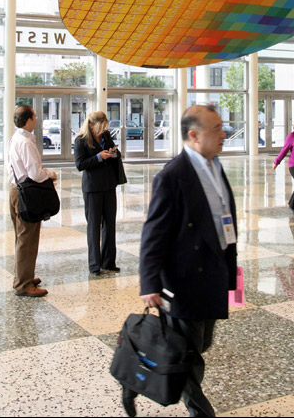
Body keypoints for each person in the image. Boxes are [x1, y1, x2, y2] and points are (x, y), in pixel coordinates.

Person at [130, 104, 237, 418]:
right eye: (216, 129)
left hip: (213, 275)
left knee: (200, 345)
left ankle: (164, 378)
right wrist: (149, 283)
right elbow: (154, 233)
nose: (224, 133)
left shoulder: (214, 166)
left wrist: (232, 275)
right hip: (185, 279)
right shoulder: (173, 176)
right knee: (188, 356)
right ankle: (200, 411)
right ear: (194, 135)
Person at [7, 105, 57, 297]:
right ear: (28, 120)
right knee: (27, 240)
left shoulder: (15, 138)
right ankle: (24, 284)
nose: (36, 119)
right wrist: (50, 174)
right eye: (34, 116)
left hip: (16, 190)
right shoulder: (26, 142)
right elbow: (35, 173)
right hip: (27, 194)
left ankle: (24, 276)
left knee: (22, 238)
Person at [74, 111, 121, 276]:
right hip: (92, 188)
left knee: (110, 224)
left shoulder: (106, 136)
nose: (103, 130)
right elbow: (80, 164)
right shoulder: (81, 140)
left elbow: (117, 153)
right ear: (91, 125)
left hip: (109, 185)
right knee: (94, 226)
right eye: (100, 127)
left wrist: (114, 154)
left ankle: (108, 262)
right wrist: (99, 157)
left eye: (105, 127)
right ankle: (94, 265)